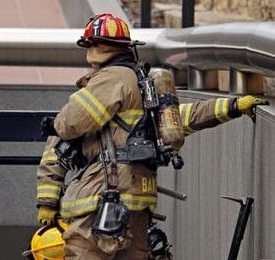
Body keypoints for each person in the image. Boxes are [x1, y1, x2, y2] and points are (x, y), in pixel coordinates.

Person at [36, 13, 270, 259]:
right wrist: (234, 106)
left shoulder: (111, 79)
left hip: (100, 198)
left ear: (94, 47)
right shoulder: (142, 83)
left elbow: (68, 125)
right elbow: (182, 118)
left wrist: (47, 202)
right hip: (139, 201)